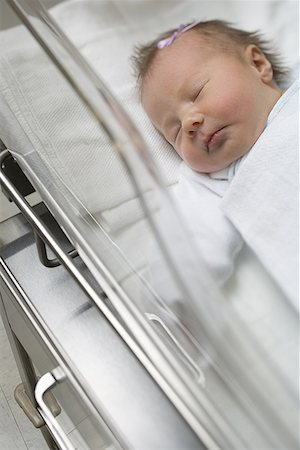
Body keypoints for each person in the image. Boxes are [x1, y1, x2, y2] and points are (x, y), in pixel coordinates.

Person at [131, 20, 298, 305]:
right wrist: (172, 306)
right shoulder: (215, 178)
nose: (189, 122)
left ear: (257, 64)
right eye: (174, 131)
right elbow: (187, 245)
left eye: (196, 93)